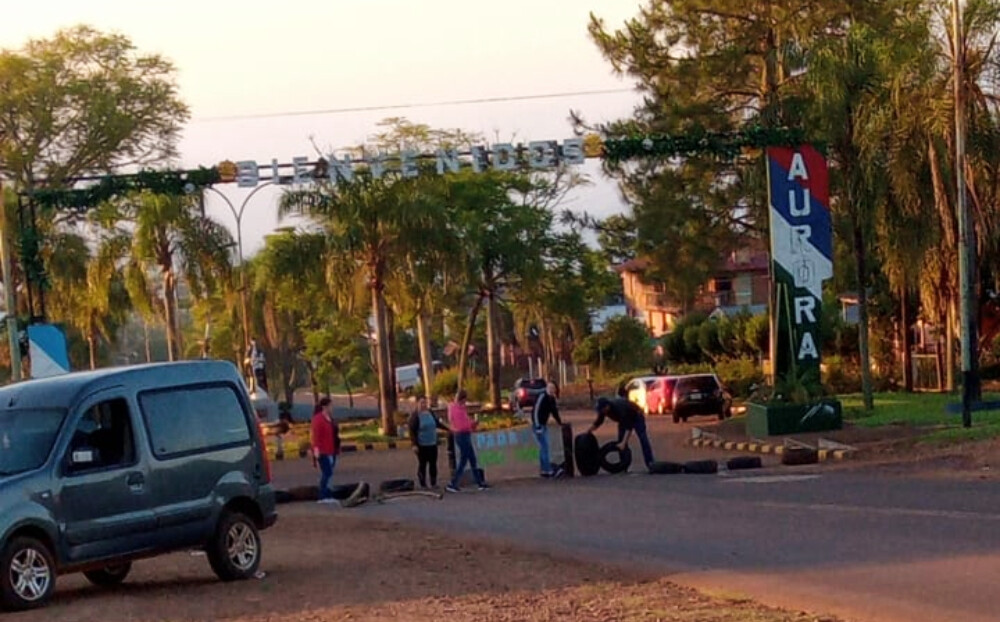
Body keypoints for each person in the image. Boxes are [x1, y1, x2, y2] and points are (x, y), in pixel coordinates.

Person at [587, 396, 655, 470]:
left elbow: (628, 428)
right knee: (620, 441)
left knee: (643, 438)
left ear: (607, 407)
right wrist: (588, 432)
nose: (601, 412)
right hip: (623, 419)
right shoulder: (603, 411)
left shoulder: (620, 409)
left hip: (636, 416)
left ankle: (650, 462)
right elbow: (598, 422)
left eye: (601, 409)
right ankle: (623, 465)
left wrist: (624, 443)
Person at [446, 390, 489, 493]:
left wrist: (471, 423)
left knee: (470, 459)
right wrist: (473, 424)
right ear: (462, 399)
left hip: (462, 434)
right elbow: (462, 424)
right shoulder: (458, 409)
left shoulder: (456, 408)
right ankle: (454, 483)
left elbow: (461, 422)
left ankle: (479, 482)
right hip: (462, 434)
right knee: (465, 459)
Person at [408, 397, 449, 489]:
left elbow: (437, 423)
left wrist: (448, 429)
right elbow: (412, 431)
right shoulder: (415, 416)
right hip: (422, 444)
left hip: (432, 443)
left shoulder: (430, 413)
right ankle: (423, 484)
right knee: (423, 464)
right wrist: (414, 444)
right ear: (417, 404)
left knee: (433, 463)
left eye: (425, 403)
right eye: (421, 403)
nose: (424, 405)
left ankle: (433, 483)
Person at [531, 382, 564, 478]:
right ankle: (548, 470)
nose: (551, 389)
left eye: (553, 388)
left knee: (544, 448)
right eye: (550, 387)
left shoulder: (551, 399)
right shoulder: (542, 396)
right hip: (539, 425)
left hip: (543, 425)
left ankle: (544, 470)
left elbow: (554, 411)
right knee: (544, 447)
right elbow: (536, 411)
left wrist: (560, 422)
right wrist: (537, 426)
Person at [310, 397, 340, 503]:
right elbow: (316, 436)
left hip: (331, 450)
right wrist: (316, 450)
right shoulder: (318, 419)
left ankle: (328, 494)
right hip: (323, 451)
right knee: (327, 473)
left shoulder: (329, 418)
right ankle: (322, 496)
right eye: (330, 406)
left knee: (329, 473)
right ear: (325, 407)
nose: (332, 408)